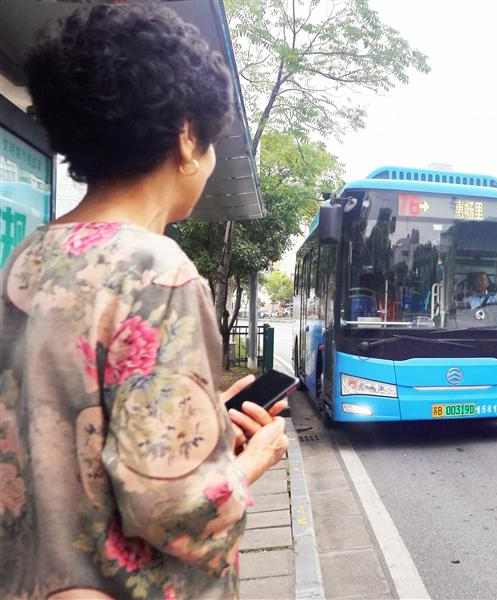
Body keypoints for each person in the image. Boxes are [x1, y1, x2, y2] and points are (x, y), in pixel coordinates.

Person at [0, 5, 287, 599]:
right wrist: (255, 457)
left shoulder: (26, 258)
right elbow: (178, 513)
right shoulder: (157, 272)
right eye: (210, 142)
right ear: (186, 137)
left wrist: (203, 424)